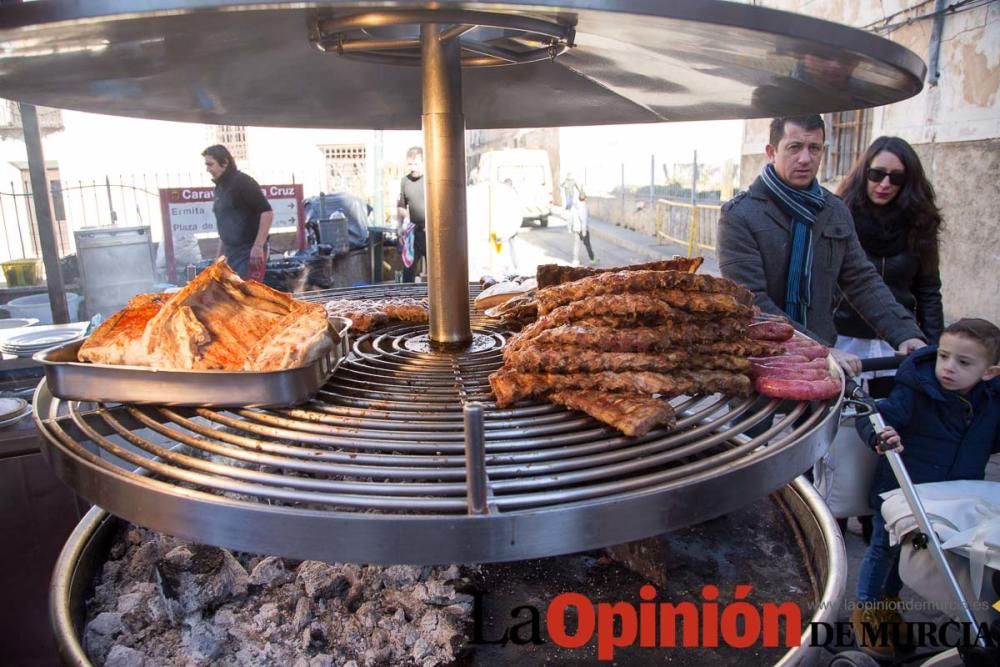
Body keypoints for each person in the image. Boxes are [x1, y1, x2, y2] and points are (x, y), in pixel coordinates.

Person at [717, 115, 926, 376]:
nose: (805, 158)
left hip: (821, 367)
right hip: (761, 361)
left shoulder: (834, 210)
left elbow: (861, 279)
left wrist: (905, 333)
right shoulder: (741, 214)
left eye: (814, 148)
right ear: (772, 152)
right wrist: (818, 348)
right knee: (760, 419)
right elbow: (751, 301)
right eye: (794, 147)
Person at [851, 318, 1000, 659]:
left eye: (963, 363)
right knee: (883, 550)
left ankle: (891, 601)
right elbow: (874, 415)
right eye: (943, 356)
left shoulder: (991, 401)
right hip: (903, 492)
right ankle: (868, 609)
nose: (948, 368)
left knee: (916, 554)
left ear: (990, 373)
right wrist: (880, 434)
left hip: (955, 495)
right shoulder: (916, 390)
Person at [835, 136, 944, 395]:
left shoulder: (920, 225)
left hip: (897, 344)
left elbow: (928, 292)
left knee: (891, 420)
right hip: (844, 340)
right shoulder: (838, 216)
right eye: (877, 174)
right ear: (864, 173)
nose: (884, 184)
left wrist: (934, 349)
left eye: (896, 178)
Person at [202, 145, 273, 281]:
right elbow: (225, 225)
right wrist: (218, 258)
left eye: (210, 164)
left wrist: (258, 246)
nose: (208, 169)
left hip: (249, 252)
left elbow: (267, 213)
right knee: (230, 296)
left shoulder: (244, 182)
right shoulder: (219, 188)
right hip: (231, 253)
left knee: (245, 296)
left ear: (224, 163)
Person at [397, 146, 426, 283]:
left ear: (423, 162)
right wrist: (400, 227)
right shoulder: (405, 181)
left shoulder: (430, 181)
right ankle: (406, 300)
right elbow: (401, 206)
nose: (413, 168)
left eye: (416, 164)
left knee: (437, 270)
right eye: (410, 164)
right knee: (408, 272)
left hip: (430, 233)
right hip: (413, 233)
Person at [562, 175, 596, 266]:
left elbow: (570, 217)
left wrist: (569, 227)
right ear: (585, 198)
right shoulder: (583, 206)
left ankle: (575, 260)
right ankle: (592, 259)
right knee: (587, 244)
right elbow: (583, 219)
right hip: (582, 229)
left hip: (576, 228)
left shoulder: (574, 206)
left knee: (576, 245)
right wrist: (584, 230)